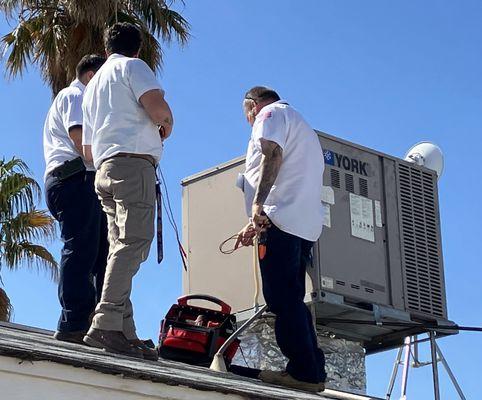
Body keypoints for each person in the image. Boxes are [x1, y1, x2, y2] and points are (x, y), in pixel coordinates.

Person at [81, 22, 173, 361]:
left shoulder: (91, 87)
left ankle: (124, 330)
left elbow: (88, 150)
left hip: (103, 169)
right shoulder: (133, 67)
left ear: (106, 50)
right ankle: (105, 323)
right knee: (135, 243)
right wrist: (166, 125)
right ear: (137, 50)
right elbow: (159, 109)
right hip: (132, 166)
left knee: (120, 247)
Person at [235, 86, 326, 392]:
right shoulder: (301, 124)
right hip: (301, 224)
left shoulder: (270, 115)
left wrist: (259, 205)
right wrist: (256, 222)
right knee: (292, 295)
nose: (249, 121)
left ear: (252, 106)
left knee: (281, 297)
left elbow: (271, 153)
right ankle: (312, 366)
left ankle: (303, 370)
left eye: (247, 115)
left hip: (282, 220)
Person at [43, 54, 108, 344]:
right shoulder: (74, 96)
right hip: (75, 178)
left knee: (97, 252)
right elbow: (81, 143)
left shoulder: (79, 98)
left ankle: (95, 321)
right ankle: (73, 322)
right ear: (93, 76)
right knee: (81, 249)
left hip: (79, 180)